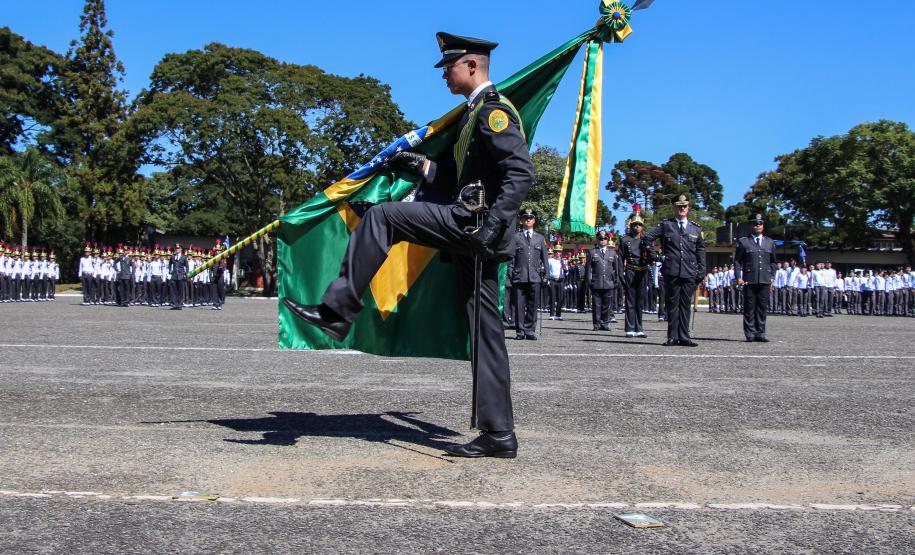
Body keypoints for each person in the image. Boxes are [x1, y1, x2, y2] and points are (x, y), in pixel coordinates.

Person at [283, 32, 532, 459]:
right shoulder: (473, 115)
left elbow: (520, 173)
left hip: (471, 226)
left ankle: (337, 309)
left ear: (471, 65)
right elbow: (455, 178)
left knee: (383, 217)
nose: (444, 75)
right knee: (485, 334)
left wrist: (492, 226)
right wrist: (415, 163)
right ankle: (499, 434)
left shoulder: (492, 112)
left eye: (449, 66)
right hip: (473, 229)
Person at [642, 194, 706, 347]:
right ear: (674, 208)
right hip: (672, 270)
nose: (682, 209)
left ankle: (684, 336)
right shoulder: (666, 225)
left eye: (684, 206)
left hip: (689, 271)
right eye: (679, 206)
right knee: (672, 304)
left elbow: (701, 250)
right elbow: (646, 238)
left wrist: (702, 270)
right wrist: (657, 257)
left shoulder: (695, 228)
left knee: (685, 304)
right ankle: (672, 336)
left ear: (688, 208)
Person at [733, 214, 777, 342]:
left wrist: (772, 277)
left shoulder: (769, 242)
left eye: (760, 224)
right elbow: (737, 261)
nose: (758, 226)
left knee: (762, 307)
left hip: (764, 279)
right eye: (755, 224)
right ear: (750, 226)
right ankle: (750, 333)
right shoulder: (743, 242)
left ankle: (760, 333)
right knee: (749, 307)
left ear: (763, 226)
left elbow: (773, 262)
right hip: (749, 279)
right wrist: (738, 277)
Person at [508, 208, 547, 339]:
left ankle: (530, 330)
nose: (528, 220)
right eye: (525, 217)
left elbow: (544, 258)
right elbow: (511, 258)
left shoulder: (540, 238)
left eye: (531, 218)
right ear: (521, 220)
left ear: (534, 221)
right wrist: (511, 273)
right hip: (519, 276)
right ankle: (520, 331)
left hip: (535, 276)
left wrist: (546, 274)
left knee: (533, 304)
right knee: (519, 305)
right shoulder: (515, 237)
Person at [619, 205, 653, 337]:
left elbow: (651, 256)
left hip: (642, 271)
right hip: (631, 271)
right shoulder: (624, 240)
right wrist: (621, 274)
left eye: (639, 224)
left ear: (642, 226)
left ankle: (639, 328)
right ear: (630, 226)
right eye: (634, 224)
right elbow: (620, 259)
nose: (637, 227)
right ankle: (630, 328)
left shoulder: (646, 240)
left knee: (640, 301)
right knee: (630, 300)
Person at [585, 230, 622, 331]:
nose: (602, 240)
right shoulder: (592, 252)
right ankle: (596, 324)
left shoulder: (612, 253)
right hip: (596, 282)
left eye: (604, 238)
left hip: (608, 282)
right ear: (597, 240)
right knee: (596, 304)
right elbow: (588, 269)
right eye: (600, 239)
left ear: (607, 240)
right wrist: (588, 281)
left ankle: (605, 323)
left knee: (607, 304)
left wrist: (616, 279)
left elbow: (616, 268)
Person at [168, 244, 189, 309]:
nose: (176, 249)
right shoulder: (173, 256)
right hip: (174, 275)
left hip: (180, 275)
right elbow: (170, 264)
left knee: (180, 291)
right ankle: (174, 304)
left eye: (178, 248)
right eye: (176, 248)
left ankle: (179, 305)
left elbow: (187, 266)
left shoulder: (184, 257)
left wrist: (186, 273)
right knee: (173, 291)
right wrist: (170, 271)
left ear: (181, 249)